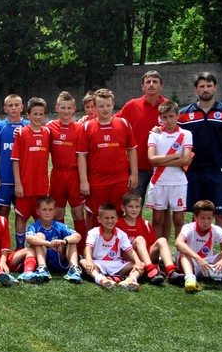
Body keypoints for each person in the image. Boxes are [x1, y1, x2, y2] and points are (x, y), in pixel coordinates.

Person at [178, 72, 222, 233]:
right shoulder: (184, 114)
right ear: (195, 89)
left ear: (215, 87)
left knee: (220, 214)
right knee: (196, 214)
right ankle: (196, 255)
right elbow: (176, 139)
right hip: (193, 172)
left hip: (218, 172)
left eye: (209, 86)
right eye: (202, 86)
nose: (205, 89)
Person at [78, 89, 138, 226]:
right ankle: (94, 245)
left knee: (119, 215)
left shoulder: (123, 123)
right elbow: (81, 156)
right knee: (96, 215)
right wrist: (83, 181)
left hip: (120, 180)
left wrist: (134, 173)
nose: (105, 109)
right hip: (97, 181)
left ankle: (118, 245)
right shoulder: (87, 127)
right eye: (101, 106)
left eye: (108, 105)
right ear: (95, 106)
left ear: (113, 104)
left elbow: (132, 149)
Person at [46, 92, 88, 252]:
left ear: (74, 109)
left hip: (74, 175)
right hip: (57, 174)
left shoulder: (80, 128)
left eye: (69, 108)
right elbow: (34, 131)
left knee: (78, 214)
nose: (65, 111)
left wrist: (84, 180)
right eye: (62, 108)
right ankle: (61, 250)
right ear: (57, 108)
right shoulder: (50, 127)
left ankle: (82, 249)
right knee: (58, 214)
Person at [116, 70, 168, 197]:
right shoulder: (132, 105)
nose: (151, 85)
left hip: (163, 165)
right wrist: (89, 119)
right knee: (134, 204)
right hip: (137, 167)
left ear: (161, 86)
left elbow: (180, 129)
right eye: (148, 82)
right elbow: (113, 122)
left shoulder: (168, 106)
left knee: (163, 209)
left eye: (155, 82)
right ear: (142, 86)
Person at [147, 100, 193, 242]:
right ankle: (155, 256)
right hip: (159, 182)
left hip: (178, 182)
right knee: (158, 219)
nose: (168, 120)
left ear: (178, 115)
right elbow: (151, 159)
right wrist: (174, 156)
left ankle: (180, 255)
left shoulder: (186, 134)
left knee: (179, 220)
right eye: (165, 117)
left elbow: (186, 160)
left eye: (171, 116)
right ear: (160, 118)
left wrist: (162, 160)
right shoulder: (155, 134)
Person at [174, 200, 222, 293]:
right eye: (202, 218)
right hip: (192, 262)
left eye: (209, 218)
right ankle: (190, 279)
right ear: (195, 217)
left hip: (208, 264)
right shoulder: (188, 227)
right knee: (183, 253)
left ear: (213, 218)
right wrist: (198, 258)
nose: (206, 222)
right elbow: (178, 243)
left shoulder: (215, 229)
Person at [11, 97, 51, 249]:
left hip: (41, 186)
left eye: (41, 114)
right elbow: (15, 160)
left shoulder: (47, 132)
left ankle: (38, 247)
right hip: (25, 185)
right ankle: (20, 247)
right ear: (28, 115)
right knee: (21, 216)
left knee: (40, 217)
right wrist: (18, 184)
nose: (38, 117)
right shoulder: (21, 133)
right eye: (35, 114)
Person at [17, 197, 82, 283]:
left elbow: (78, 236)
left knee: (71, 240)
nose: (47, 213)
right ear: (38, 211)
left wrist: (63, 241)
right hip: (43, 256)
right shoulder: (34, 226)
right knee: (39, 236)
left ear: (55, 211)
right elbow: (29, 238)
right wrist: (48, 244)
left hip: (59, 257)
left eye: (50, 210)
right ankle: (42, 267)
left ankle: (74, 269)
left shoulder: (59, 226)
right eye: (44, 209)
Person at [80, 203, 144, 291]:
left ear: (117, 218)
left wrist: (137, 262)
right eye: (106, 218)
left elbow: (130, 250)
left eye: (112, 218)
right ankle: (101, 280)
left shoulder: (121, 234)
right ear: (99, 219)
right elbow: (88, 248)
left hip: (116, 264)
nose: (110, 221)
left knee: (141, 264)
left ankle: (130, 280)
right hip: (98, 263)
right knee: (84, 261)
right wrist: (90, 261)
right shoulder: (93, 232)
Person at [116, 192, 175, 286]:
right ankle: (150, 269)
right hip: (128, 257)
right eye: (130, 206)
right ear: (123, 208)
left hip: (146, 258)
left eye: (137, 207)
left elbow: (152, 246)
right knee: (139, 239)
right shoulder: (118, 224)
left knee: (162, 240)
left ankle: (171, 271)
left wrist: (157, 265)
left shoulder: (145, 223)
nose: (134, 210)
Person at [0, 94, 28, 219]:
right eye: (10, 105)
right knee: (2, 211)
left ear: (22, 107)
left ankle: (20, 239)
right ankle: (3, 238)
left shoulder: (28, 126)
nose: (13, 108)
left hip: (23, 178)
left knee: (21, 214)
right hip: (4, 178)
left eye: (16, 105)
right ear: (5, 108)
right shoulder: (0, 127)